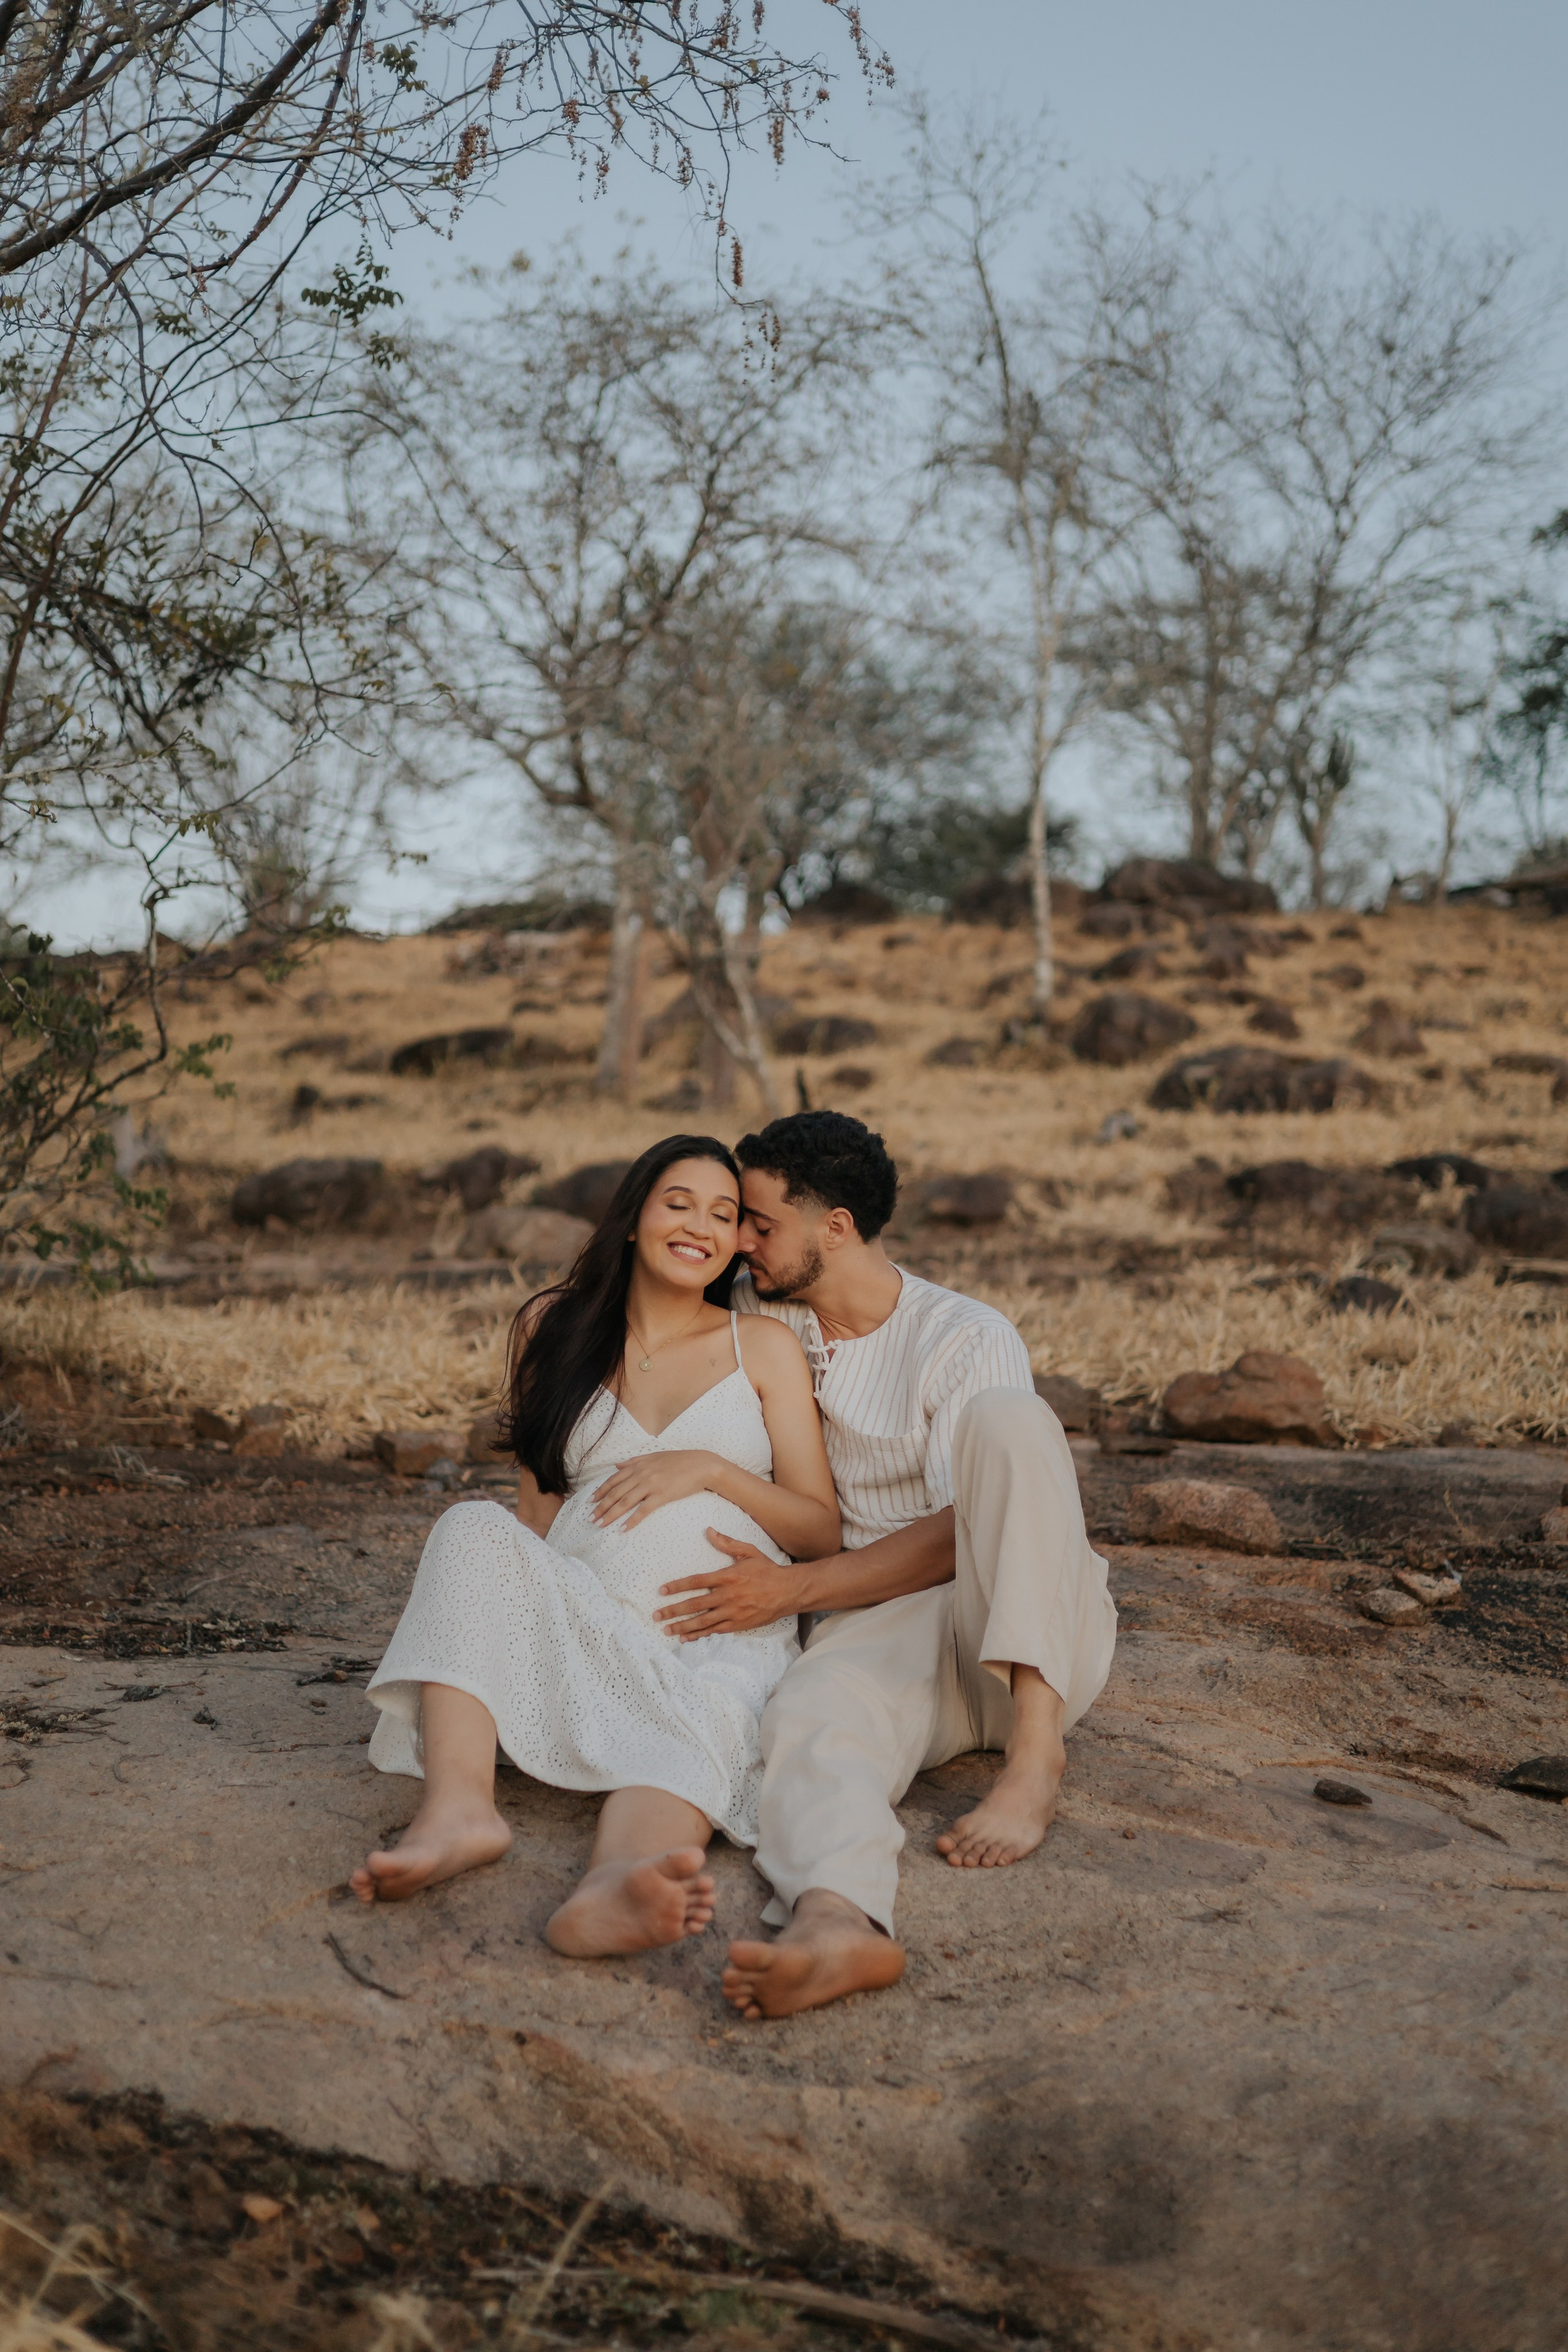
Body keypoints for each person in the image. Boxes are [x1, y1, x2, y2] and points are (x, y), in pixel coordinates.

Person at [649, 1110, 1117, 2019]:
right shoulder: (757, 1311)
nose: (739, 1240)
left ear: (837, 1228)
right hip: (885, 1638)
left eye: (759, 1222)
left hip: (1016, 1618)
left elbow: (961, 1532)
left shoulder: (964, 1335)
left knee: (1013, 1421)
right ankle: (838, 1924)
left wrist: (791, 1590)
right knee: (807, 1717)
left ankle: (1033, 1757)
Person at [352, 1135, 840, 1958]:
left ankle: (617, 1885)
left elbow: (819, 1529)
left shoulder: (762, 1347)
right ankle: (460, 1812)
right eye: (679, 1203)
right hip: (591, 1616)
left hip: (713, 1632)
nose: (701, 1227)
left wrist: (712, 1470)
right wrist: (507, 1625)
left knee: (701, 1719)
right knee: (473, 1527)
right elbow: (537, 1508)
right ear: (632, 1219)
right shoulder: (554, 1326)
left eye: (724, 1216)